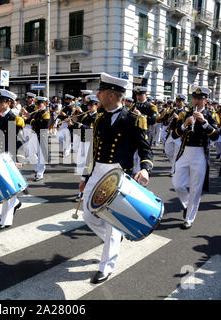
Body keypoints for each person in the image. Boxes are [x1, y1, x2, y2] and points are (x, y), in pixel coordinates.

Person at [78, 73, 153, 284]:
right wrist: (85, 176)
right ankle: (115, 239)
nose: (97, 96)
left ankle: (106, 266)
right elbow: (92, 149)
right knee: (88, 215)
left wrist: (145, 168)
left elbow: (145, 150)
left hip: (118, 174)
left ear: (111, 95)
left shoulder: (135, 119)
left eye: (100, 92)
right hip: (97, 171)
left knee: (111, 223)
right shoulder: (99, 118)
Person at [171, 86, 219, 229]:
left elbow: (216, 137)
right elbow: (174, 135)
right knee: (178, 184)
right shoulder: (185, 114)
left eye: (200, 98)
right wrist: (185, 125)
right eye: (195, 98)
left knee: (195, 188)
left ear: (205, 100)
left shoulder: (211, 115)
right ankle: (187, 204)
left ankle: (189, 218)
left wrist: (204, 123)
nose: (196, 101)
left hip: (200, 154)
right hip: (185, 152)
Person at [0, 89, 25, 230]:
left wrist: (19, 159)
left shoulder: (15, 119)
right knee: (2, 188)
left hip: (10, 157)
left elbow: (20, 141)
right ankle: (16, 203)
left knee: (8, 190)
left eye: (0, 102)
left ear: (9, 103)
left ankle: (5, 221)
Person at [72, 94, 99, 202]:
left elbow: (91, 130)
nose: (89, 107)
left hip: (92, 144)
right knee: (81, 166)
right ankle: (85, 190)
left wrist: (79, 125)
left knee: (87, 169)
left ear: (97, 105)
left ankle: (82, 192)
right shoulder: (85, 116)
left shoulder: (98, 117)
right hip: (83, 143)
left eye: (92, 105)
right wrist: (73, 122)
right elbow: (79, 130)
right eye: (88, 105)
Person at [164, 94, 188, 176]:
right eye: (177, 101)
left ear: (184, 102)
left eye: (179, 101)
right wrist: (170, 119)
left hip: (179, 135)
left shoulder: (185, 112)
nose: (177, 103)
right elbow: (167, 121)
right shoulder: (174, 110)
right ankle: (176, 163)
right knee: (167, 150)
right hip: (171, 133)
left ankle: (173, 171)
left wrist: (177, 118)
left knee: (176, 153)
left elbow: (185, 124)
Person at [30, 96, 51, 181]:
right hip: (34, 134)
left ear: (45, 104)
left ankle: (40, 173)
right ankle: (38, 168)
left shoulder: (46, 113)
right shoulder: (36, 113)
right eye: (37, 104)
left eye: (40, 104)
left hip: (41, 134)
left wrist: (33, 122)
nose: (38, 105)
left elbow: (45, 125)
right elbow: (31, 121)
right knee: (29, 152)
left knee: (41, 154)